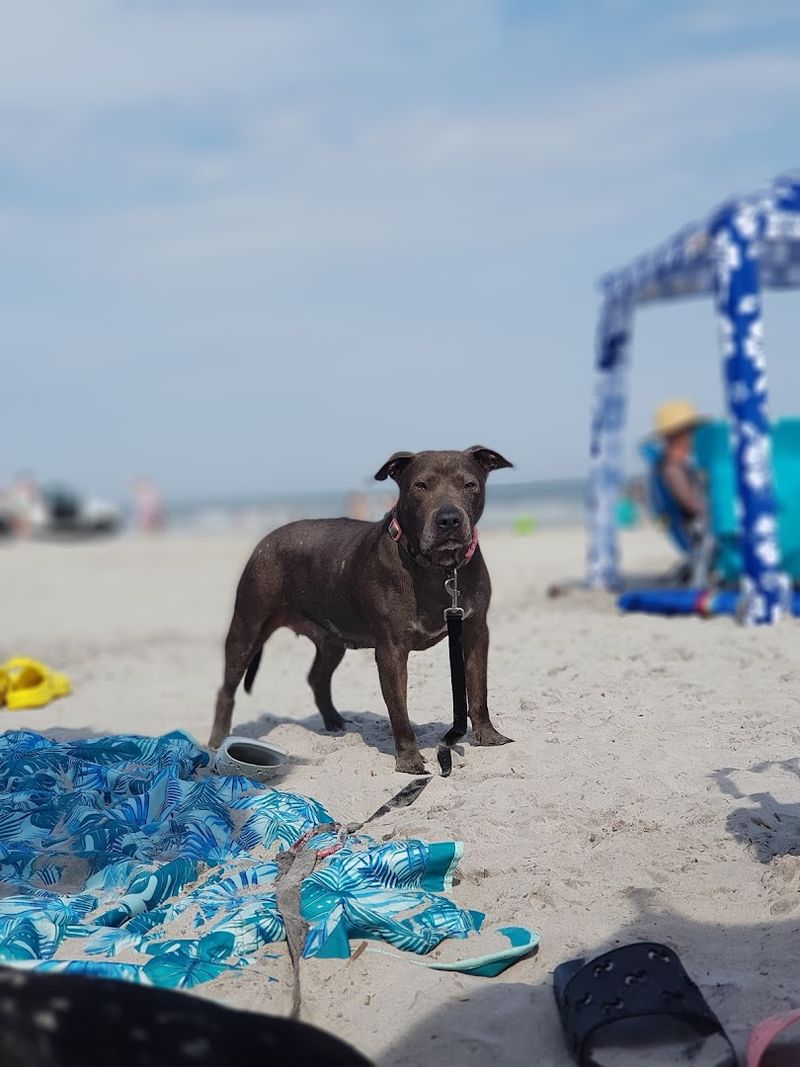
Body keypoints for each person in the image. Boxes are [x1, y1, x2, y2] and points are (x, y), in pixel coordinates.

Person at [652, 400, 714, 585]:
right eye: (694, 431)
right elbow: (694, 508)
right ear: (679, 435)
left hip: (693, 530)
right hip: (700, 532)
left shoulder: (679, 465)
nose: (698, 436)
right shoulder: (673, 469)